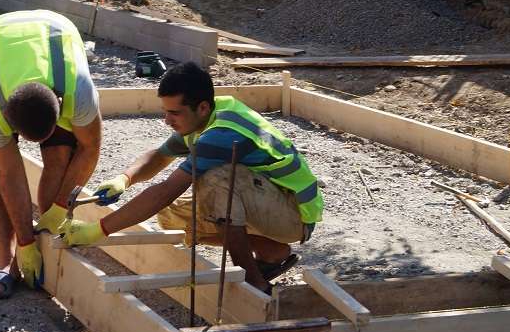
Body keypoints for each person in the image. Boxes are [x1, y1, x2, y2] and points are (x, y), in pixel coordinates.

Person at [58, 62, 323, 294]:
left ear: (202, 107)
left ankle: (255, 282)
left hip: (294, 213)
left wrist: (98, 230)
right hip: (265, 203)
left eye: (174, 113)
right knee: (172, 216)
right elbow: (160, 156)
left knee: (215, 180)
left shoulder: (220, 135)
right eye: (165, 111)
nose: (167, 120)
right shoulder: (206, 116)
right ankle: (271, 251)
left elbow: (165, 190)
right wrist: (124, 179)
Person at [0, 9, 102, 298]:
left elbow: (90, 147)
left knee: (61, 154)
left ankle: (48, 234)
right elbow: (10, 172)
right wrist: (23, 244)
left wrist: (58, 208)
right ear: (6, 116)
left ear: (59, 104)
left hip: (56, 31)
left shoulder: (77, 89)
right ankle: (6, 260)